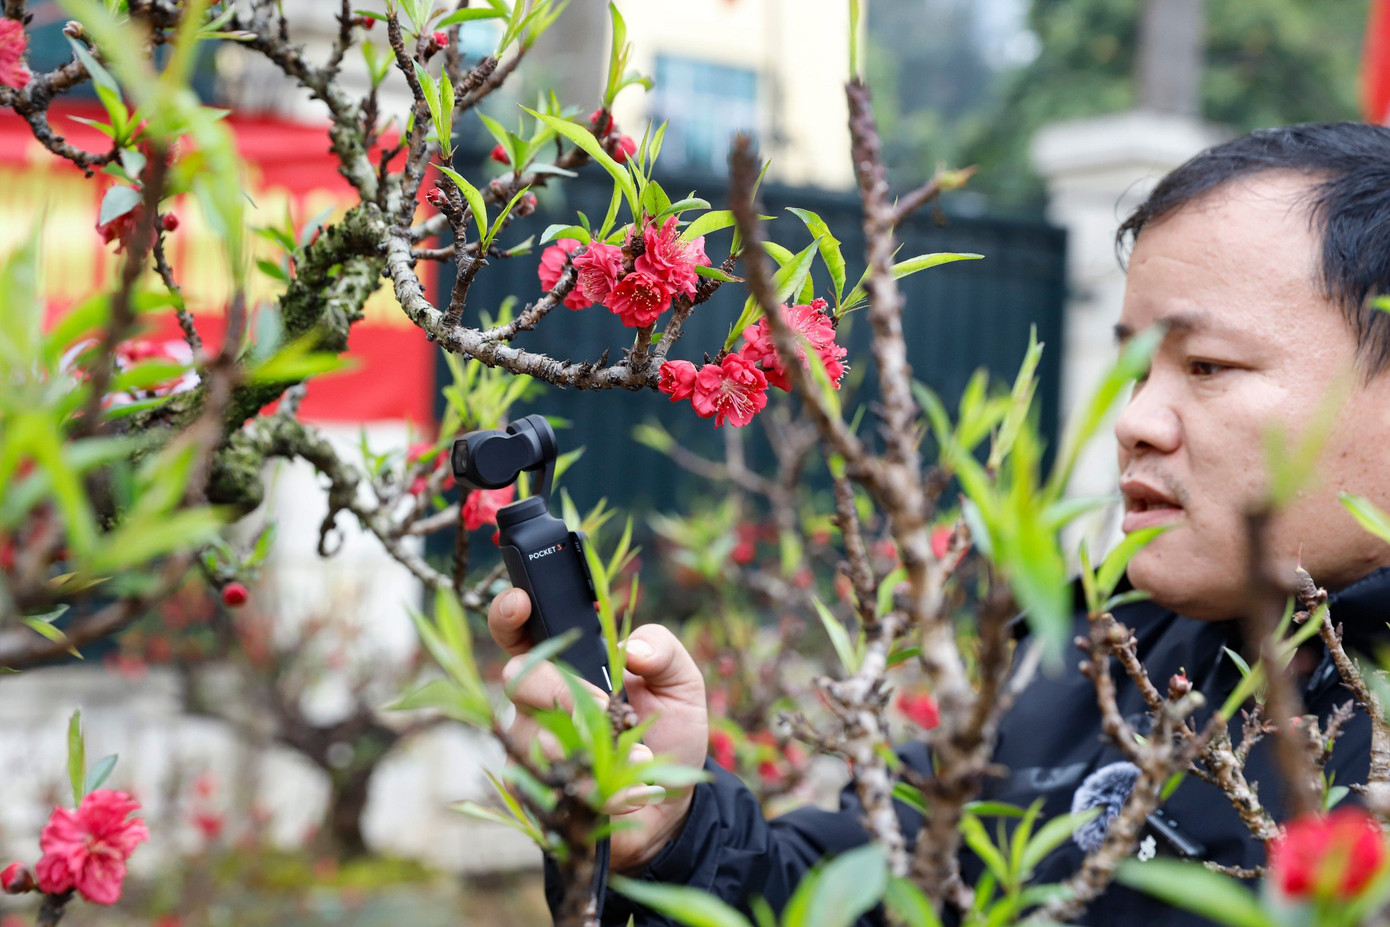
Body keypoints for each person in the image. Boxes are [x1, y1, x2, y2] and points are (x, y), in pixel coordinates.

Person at [487, 122, 1390, 925]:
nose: (1136, 421)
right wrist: (674, 830)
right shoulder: (1083, 657)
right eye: (1135, 370)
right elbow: (879, 889)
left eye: (1208, 365)